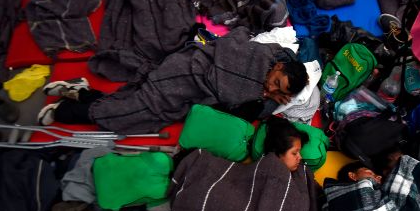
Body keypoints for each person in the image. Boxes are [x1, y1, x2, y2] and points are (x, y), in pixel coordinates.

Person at [37, 26, 309, 135]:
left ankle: (81, 92)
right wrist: (262, 94)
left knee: (139, 108)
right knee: (130, 113)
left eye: (279, 90)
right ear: (280, 65)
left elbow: (237, 113)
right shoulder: (263, 54)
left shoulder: (265, 93)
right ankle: (64, 110)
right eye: (276, 80)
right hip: (182, 70)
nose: (272, 87)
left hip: (186, 91)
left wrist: (266, 100)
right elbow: (233, 40)